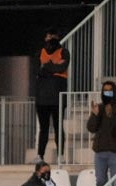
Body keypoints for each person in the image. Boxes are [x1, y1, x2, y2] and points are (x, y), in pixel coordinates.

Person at [34, 28, 69, 163]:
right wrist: (53, 66)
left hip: (58, 96)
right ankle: (40, 155)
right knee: (43, 128)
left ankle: (60, 155)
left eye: (53, 36)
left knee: (58, 126)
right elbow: (37, 71)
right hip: (42, 97)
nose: (51, 39)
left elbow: (61, 68)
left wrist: (46, 66)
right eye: (49, 36)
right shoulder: (39, 52)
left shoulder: (64, 52)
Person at [87, 81, 116, 186]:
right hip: (100, 151)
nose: (107, 93)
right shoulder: (99, 107)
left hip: (115, 151)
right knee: (100, 181)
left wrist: (111, 115)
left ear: (114, 91)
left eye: (109, 90)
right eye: (105, 91)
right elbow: (91, 128)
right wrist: (95, 115)